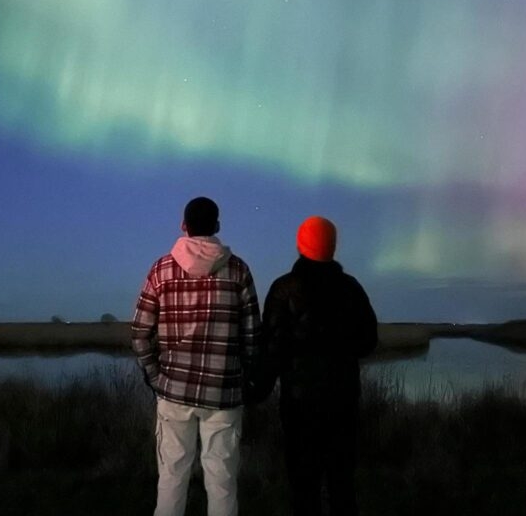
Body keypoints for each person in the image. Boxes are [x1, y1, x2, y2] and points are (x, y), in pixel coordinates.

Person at [132, 196, 262, 516]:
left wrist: (154, 376)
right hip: (224, 393)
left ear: (183, 226)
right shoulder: (238, 271)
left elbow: (139, 333)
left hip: (174, 392)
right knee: (222, 482)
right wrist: (242, 377)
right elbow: (252, 337)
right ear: (217, 226)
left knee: (172, 478)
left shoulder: (161, 269)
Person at [262, 216, 378, 516]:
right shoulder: (351, 289)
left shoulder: (283, 289)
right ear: (333, 246)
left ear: (301, 245)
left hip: (299, 404)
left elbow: (272, 348)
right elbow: (368, 342)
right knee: (342, 483)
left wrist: (257, 388)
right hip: (343, 400)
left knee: (303, 486)